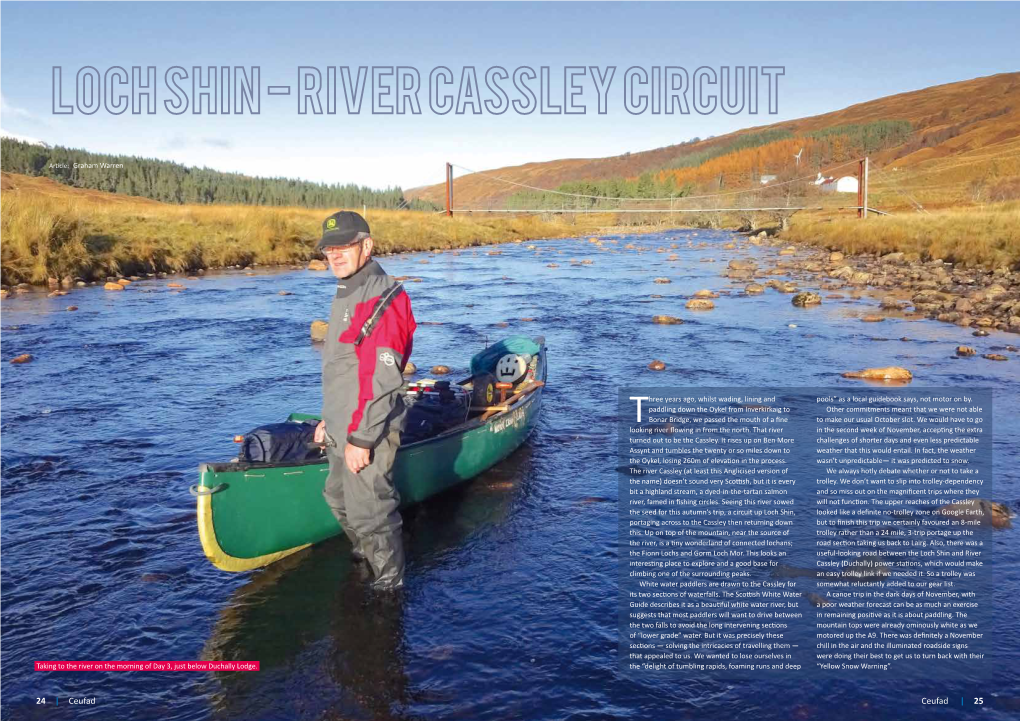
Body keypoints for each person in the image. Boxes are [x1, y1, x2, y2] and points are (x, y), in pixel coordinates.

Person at [313, 210, 416, 591]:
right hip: (342, 425)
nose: (335, 255)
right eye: (329, 249)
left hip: (367, 429)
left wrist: (363, 438)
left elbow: (384, 377)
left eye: (344, 246)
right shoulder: (346, 291)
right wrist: (328, 420)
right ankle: (366, 562)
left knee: (371, 510)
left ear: (366, 246)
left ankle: (389, 591)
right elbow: (344, 370)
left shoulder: (383, 296)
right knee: (337, 498)